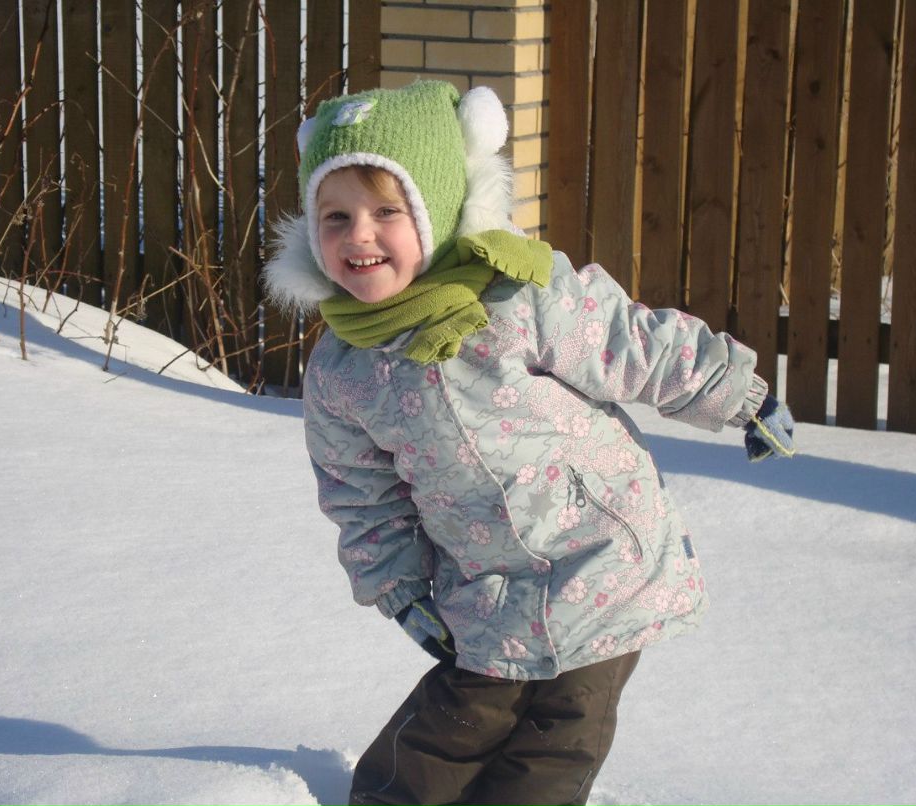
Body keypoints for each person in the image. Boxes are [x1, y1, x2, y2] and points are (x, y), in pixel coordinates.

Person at [263, 80, 795, 806]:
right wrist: (397, 587)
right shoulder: (343, 368)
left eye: (388, 211)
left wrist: (736, 393)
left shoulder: (516, 293)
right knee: (458, 717)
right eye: (336, 215)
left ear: (441, 211)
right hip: (485, 578)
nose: (360, 235)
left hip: (605, 556)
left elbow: (629, 343)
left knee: (560, 735)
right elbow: (361, 494)